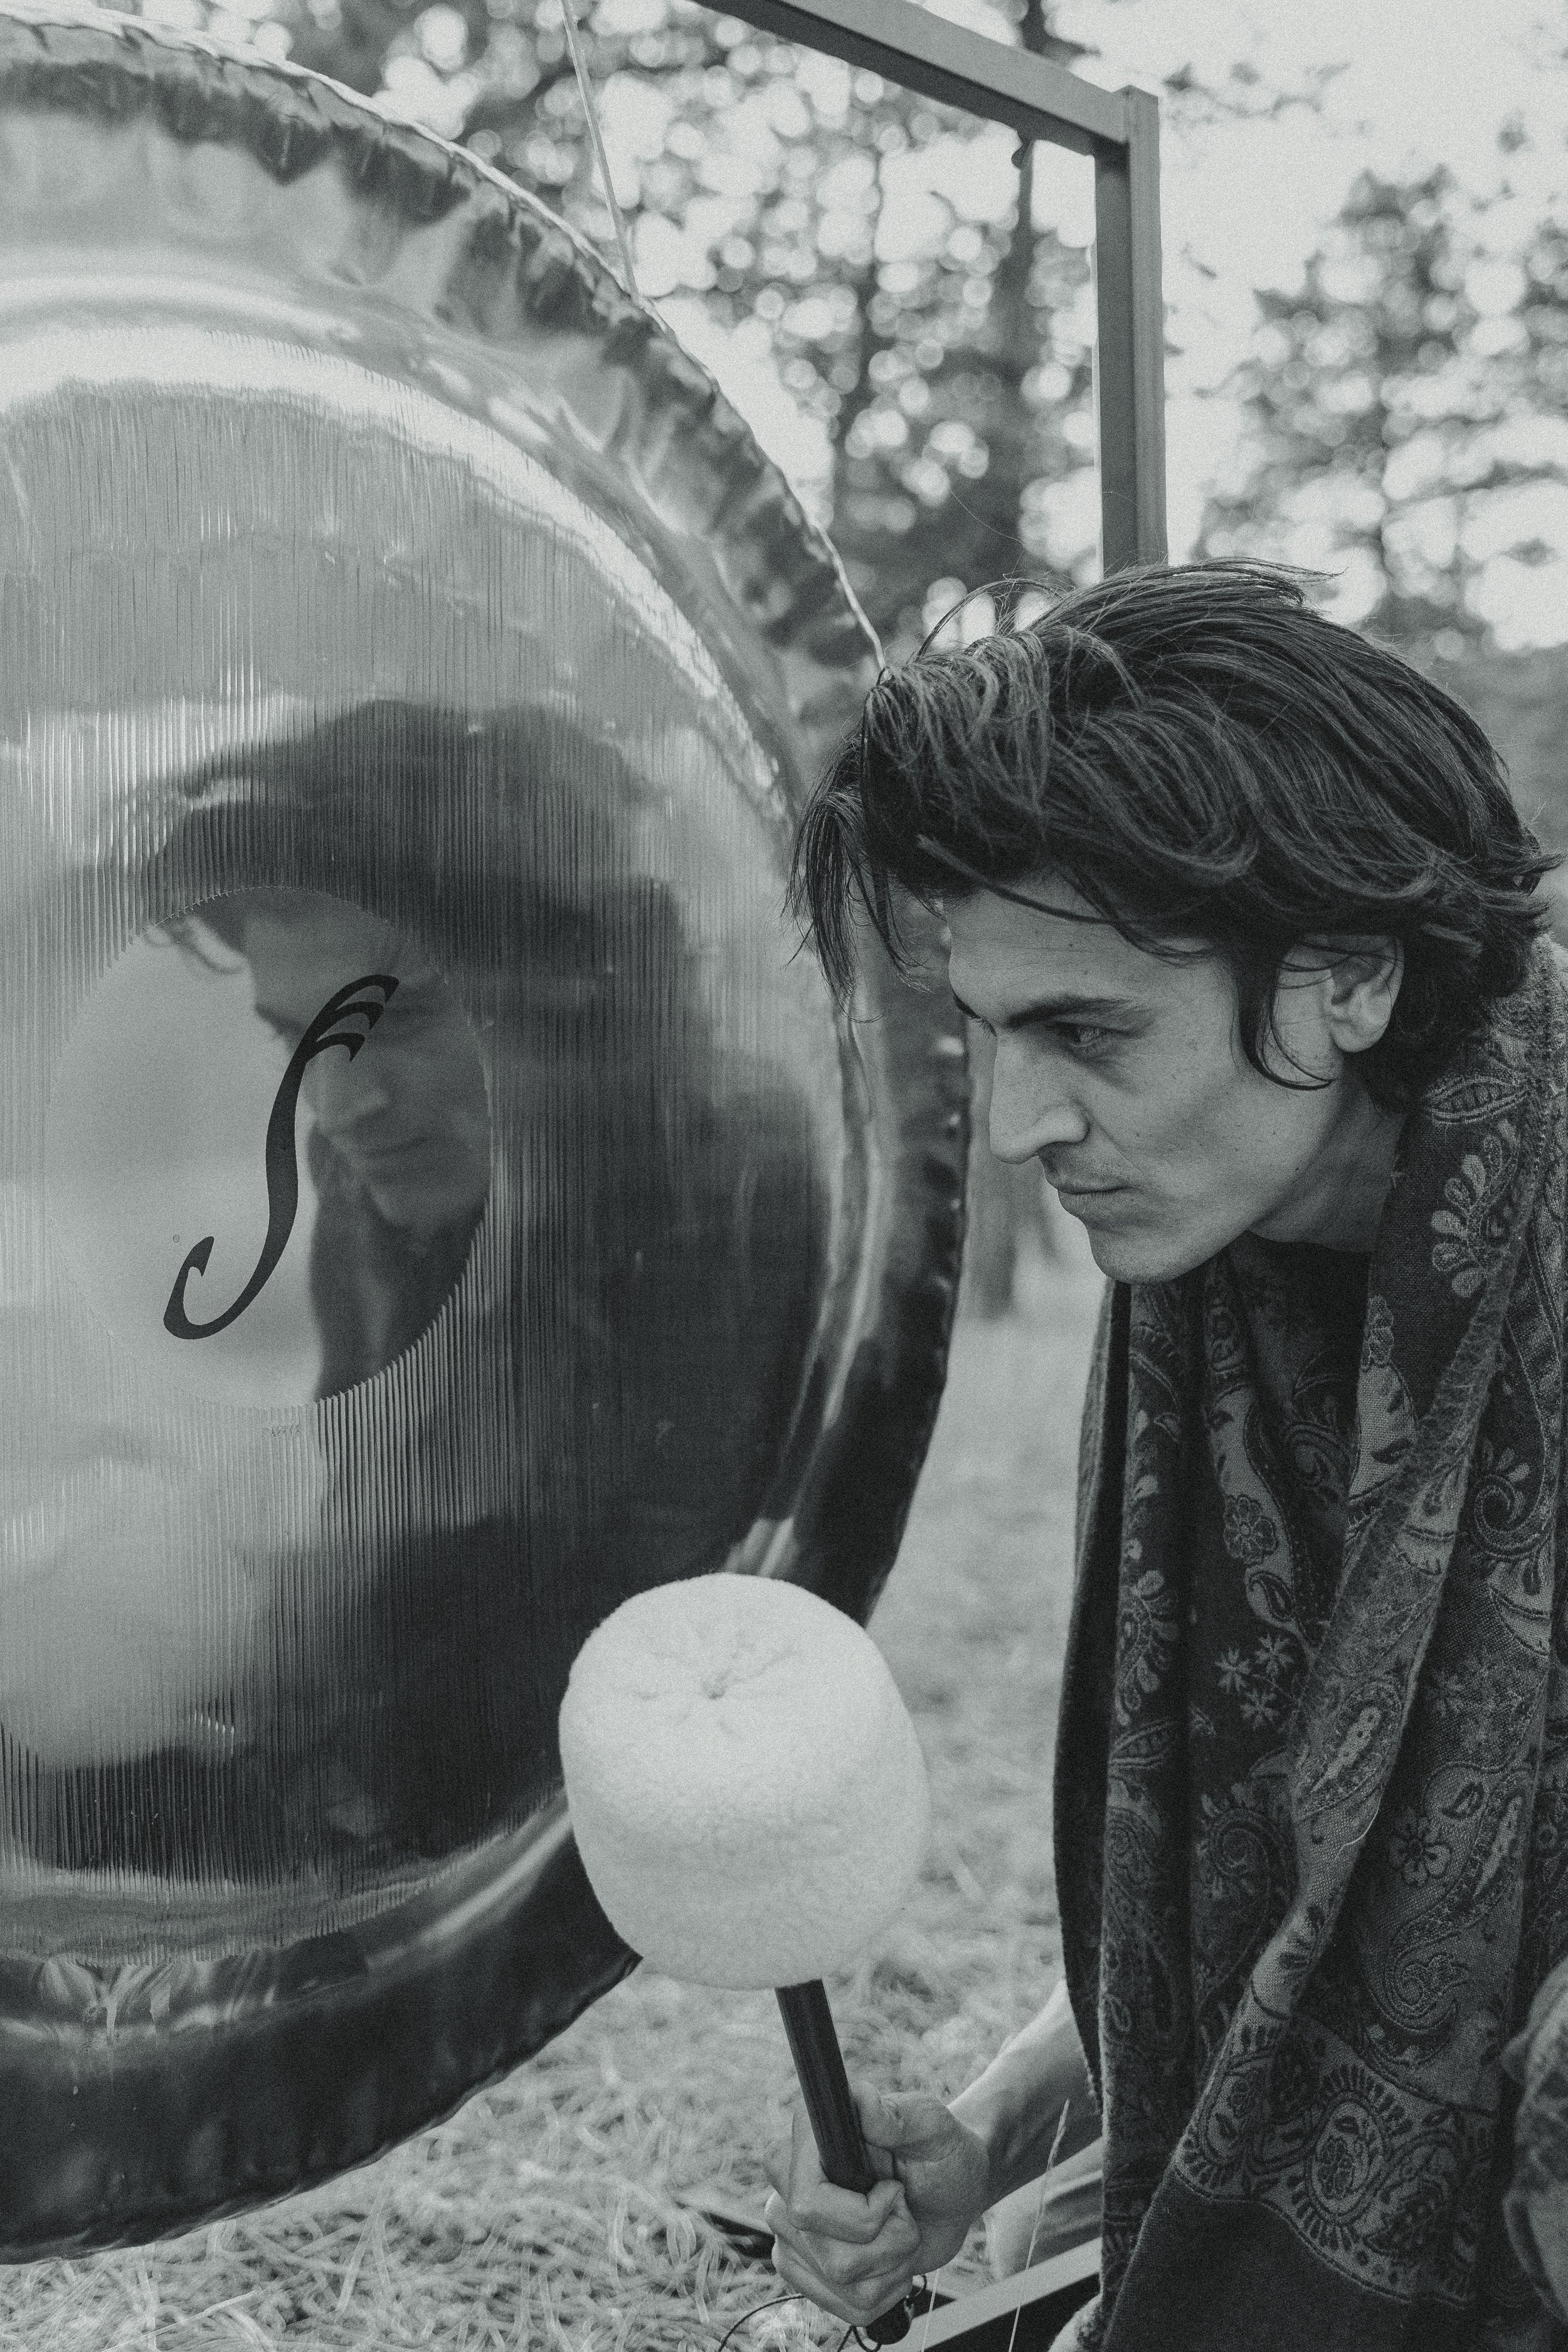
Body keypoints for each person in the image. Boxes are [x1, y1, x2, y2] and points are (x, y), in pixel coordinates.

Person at [765, 563, 1568, 2350]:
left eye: (1088, 1032)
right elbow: (1295, 1889)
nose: (1023, 1124)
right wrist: (978, 2142)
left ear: (1348, 973)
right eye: (991, 1031)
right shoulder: (1231, 1272)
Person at [17, 701, 828, 1887]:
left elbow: (608, 1642)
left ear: (571, 981)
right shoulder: (368, 1174)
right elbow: (372, 1504)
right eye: (296, 1038)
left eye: (392, 1024)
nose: (340, 1104)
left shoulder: (734, 1180)